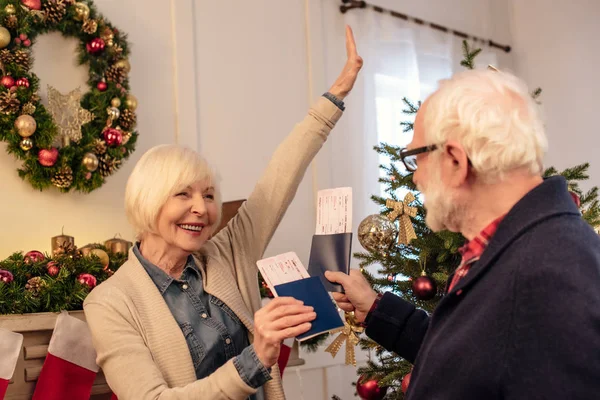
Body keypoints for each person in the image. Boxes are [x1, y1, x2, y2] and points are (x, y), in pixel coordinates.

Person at [83, 26, 362, 400]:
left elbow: (281, 174)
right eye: (183, 194)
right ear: (149, 201)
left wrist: (336, 94)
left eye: (210, 195)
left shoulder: (230, 251)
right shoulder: (110, 302)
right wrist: (256, 358)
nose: (202, 208)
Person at [326, 68, 600, 399]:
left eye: (416, 158)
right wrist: (375, 308)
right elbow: (468, 361)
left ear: (455, 160)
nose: (415, 178)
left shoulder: (547, 273)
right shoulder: (510, 247)